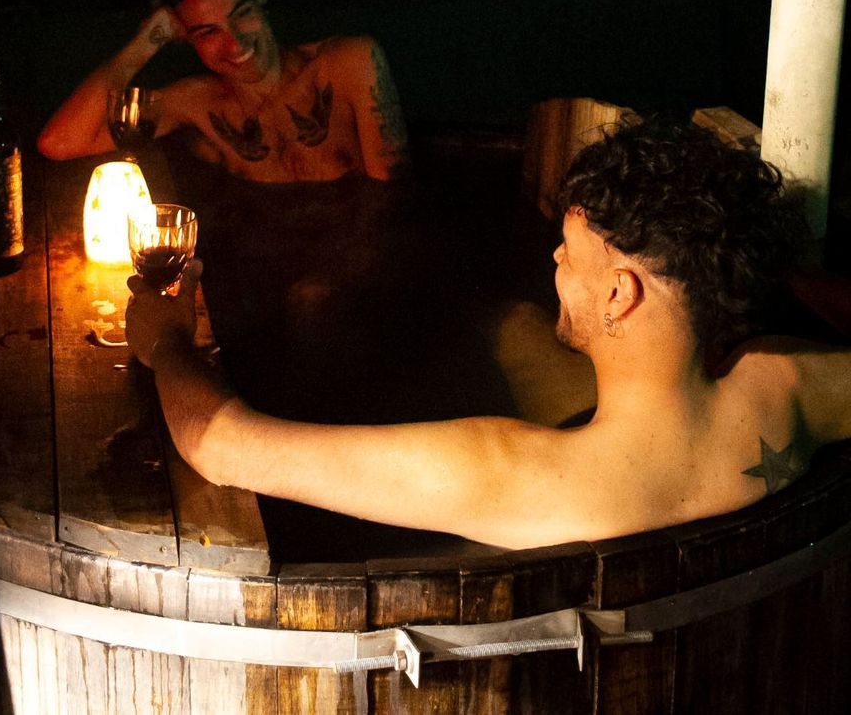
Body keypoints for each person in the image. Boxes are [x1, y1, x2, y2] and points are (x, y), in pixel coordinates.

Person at [124, 115, 851, 551]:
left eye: (570, 254)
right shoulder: (785, 389)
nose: (554, 260)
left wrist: (166, 342)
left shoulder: (515, 475)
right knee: (513, 322)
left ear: (619, 294)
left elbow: (223, 445)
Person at [37, 0, 409, 183]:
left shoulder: (348, 64)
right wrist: (147, 40)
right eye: (208, 32)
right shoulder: (198, 104)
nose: (236, 44)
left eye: (242, 14)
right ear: (186, 36)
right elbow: (59, 143)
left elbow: (394, 202)